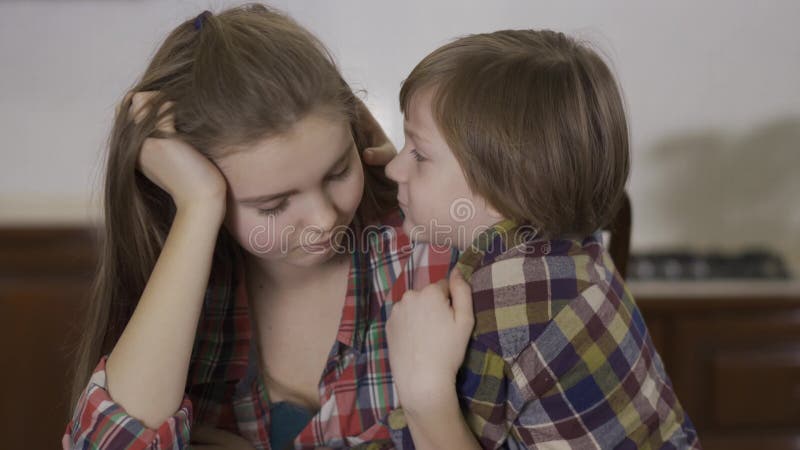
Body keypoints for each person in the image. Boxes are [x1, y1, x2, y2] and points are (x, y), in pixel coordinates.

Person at [62, 4, 456, 449]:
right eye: (273, 205)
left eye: (337, 171)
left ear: (356, 130)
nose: (324, 219)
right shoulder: (198, 296)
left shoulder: (430, 253)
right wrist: (199, 205)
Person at [382, 29, 702, 449]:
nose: (392, 169)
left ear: (506, 187)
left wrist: (423, 391)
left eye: (419, 154)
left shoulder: (504, 299)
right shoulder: (570, 249)